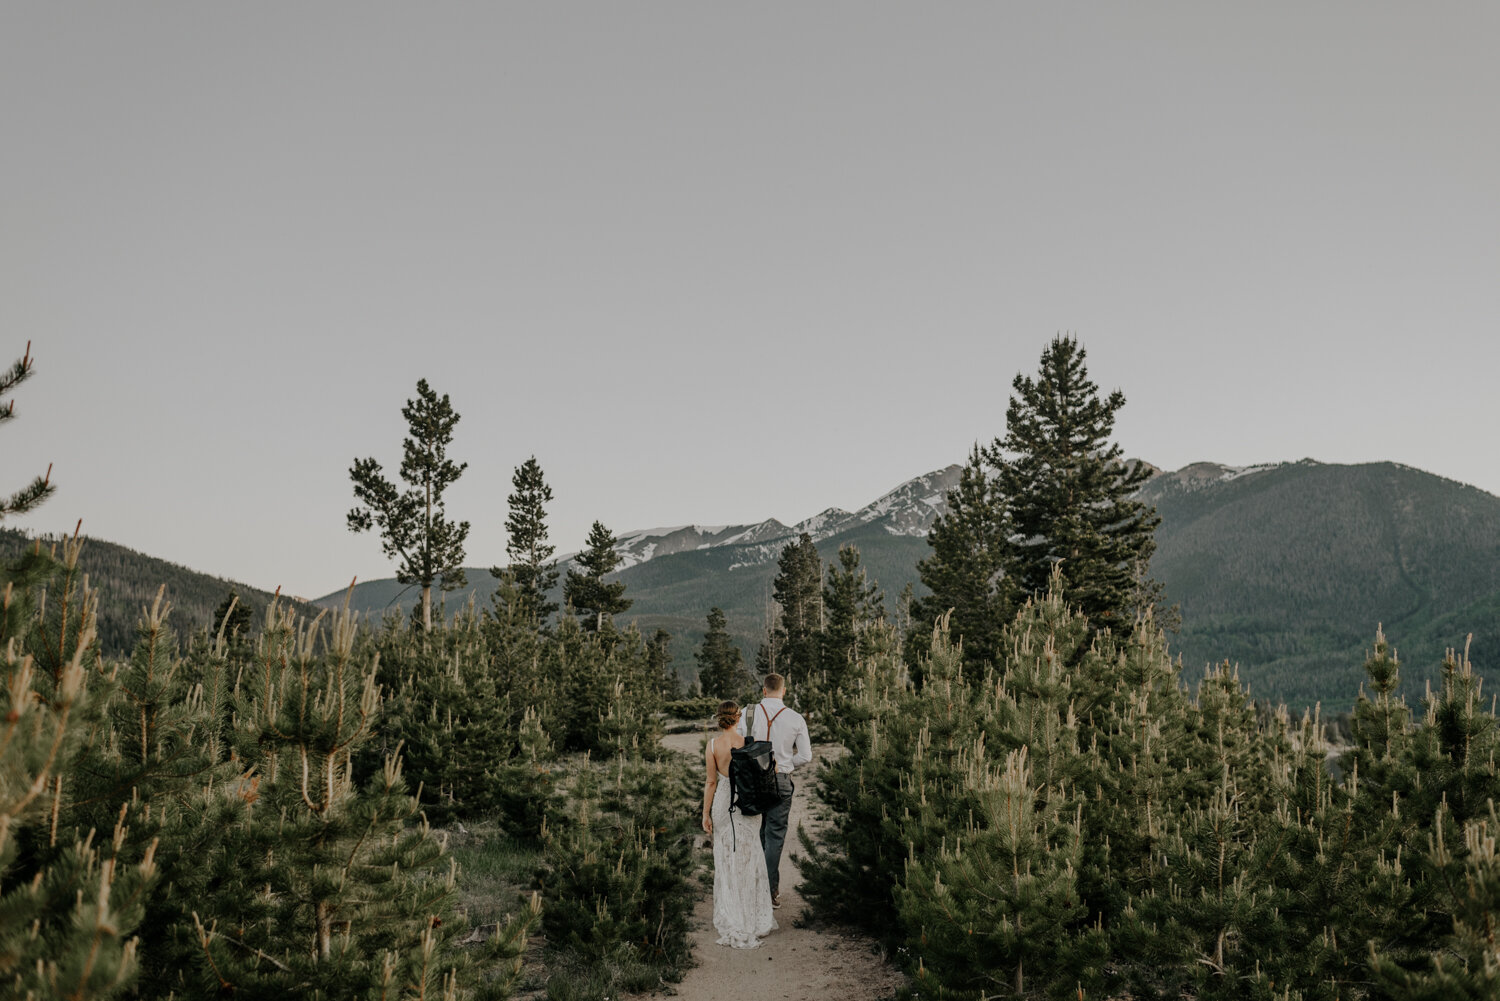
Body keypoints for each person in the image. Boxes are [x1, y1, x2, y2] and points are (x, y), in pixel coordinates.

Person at [702, 700, 777, 948]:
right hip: (747, 803)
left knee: (727, 855)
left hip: (723, 802)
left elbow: (711, 782)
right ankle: (753, 915)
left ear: (719, 718)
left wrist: (705, 813)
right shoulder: (749, 743)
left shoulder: (712, 746)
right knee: (750, 853)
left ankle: (733, 912)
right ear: (738, 718)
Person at [737, 673, 812, 908]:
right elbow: (806, 756)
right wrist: (787, 764)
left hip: (752, 781)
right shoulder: (796, 718)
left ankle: (756, 889)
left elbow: (738, 746)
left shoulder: (747, 713)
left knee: (757, 835)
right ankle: (768, 893)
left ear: (763, 690)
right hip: (781, 778)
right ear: (784, 691)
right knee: (774, 837)